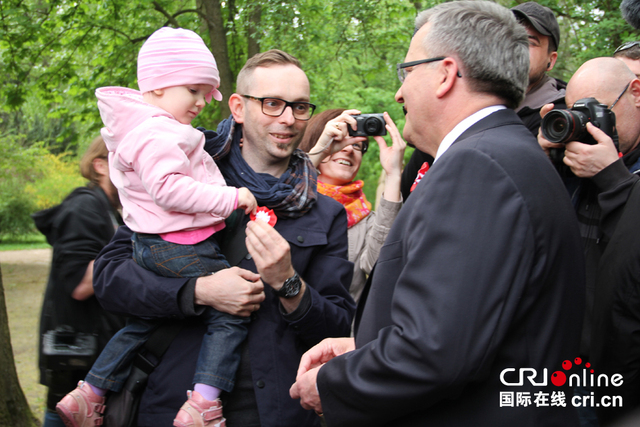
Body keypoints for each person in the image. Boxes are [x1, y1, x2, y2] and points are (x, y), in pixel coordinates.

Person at [290, 2, 585, 426]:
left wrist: (333, 383)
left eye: (406, 72)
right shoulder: (506, 154)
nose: (398, 93)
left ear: (445, 74)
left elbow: (434, 352)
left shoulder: (478, 167)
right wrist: (365, 345)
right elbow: (465, 321)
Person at [92, 49, 355, 427]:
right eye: (272, 103)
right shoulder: (181, 178)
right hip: (172, 406)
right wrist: (198, 291)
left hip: (277, 413)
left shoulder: (325, 213)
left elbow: (336, 326)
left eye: (300, 107)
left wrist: (288, 283)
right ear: (237, 107)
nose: (288, 119)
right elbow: (110, 280)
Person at [56, 27, 258, 427]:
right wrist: (232, 197)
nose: (201, 103)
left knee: (147, 321)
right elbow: (168, 189)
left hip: (155, 244)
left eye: (206, 93)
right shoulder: (157, 132)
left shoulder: (144, 128)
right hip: (178, 244)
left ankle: (91, 391)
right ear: (161, 85)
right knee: (231, 311)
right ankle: (203, 403)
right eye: (194, 90)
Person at [538, 57, 640, 426]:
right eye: (574, 113)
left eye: (594, 111)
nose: (584, 125)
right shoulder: (570, 167)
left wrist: (614, 178)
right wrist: (543, 163)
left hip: (616, 378)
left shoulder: (618, 173)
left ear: (636, 94)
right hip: (557, 364)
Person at [399, 1, 566, 200]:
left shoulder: (560, 116)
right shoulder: (461, 114)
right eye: (512, 39)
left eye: (529, 42)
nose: (518, 48)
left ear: (551, 59)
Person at [33, 136, 125, 427]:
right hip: (75, 370)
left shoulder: (109, 211)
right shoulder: (84, 207)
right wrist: (141, 240)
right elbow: (80, 284)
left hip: (96, 366)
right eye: (124, 162)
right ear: (100, 165)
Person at [299, 108, 405, 303]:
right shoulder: (290, 200)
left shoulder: (367, 220)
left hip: (342, 329)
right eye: (339, 142)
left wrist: (393, 175)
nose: (349, 149)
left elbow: (378, 268)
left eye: (357, 145)